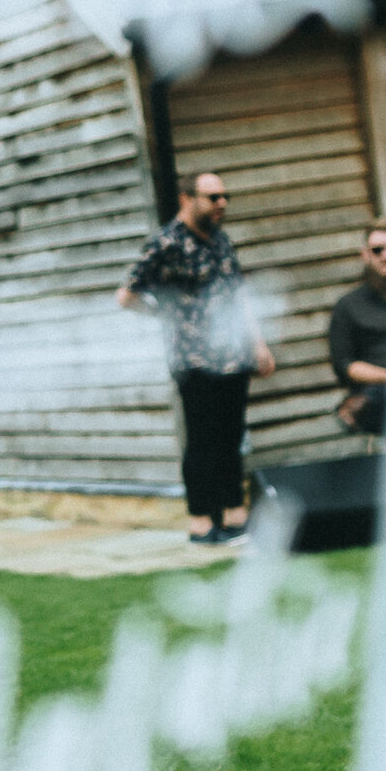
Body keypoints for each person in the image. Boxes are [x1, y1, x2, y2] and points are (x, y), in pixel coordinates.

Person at [118, 170, 275, 545]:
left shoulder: (221, 241)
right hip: (193, 361)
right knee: (203, 441)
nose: (222, 204)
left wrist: (258, 344)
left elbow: (239, 296)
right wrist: (166, 316)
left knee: (231, 436)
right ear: (187, 199)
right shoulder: (165, 243)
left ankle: (236, 515)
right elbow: (127, 295)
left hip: (234, 357)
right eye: (213, 197)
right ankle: (202, 521)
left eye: (224, 196)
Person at [328, 219, 386, 437]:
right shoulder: (348, 306)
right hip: (380, 395)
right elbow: (345, 365)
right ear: (365, 255)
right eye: (378, 250)